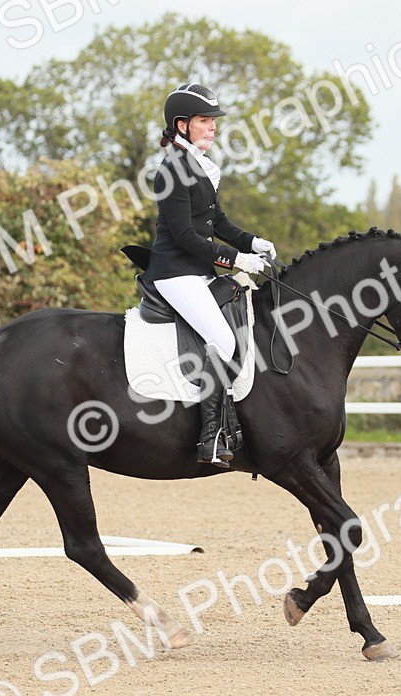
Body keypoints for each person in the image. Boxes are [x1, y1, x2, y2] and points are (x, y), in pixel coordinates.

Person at [144, 83, 277, 467]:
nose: (212, 127)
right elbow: (186, 236)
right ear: (182, 125)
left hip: (197, 271)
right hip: (175, 273)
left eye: (213, 120)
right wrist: (236, 260)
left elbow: (217, 222)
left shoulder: (198, 167)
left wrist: (254, 243)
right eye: (205, 121)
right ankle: (212, 436)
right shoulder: (172, 170)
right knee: (222, 338)